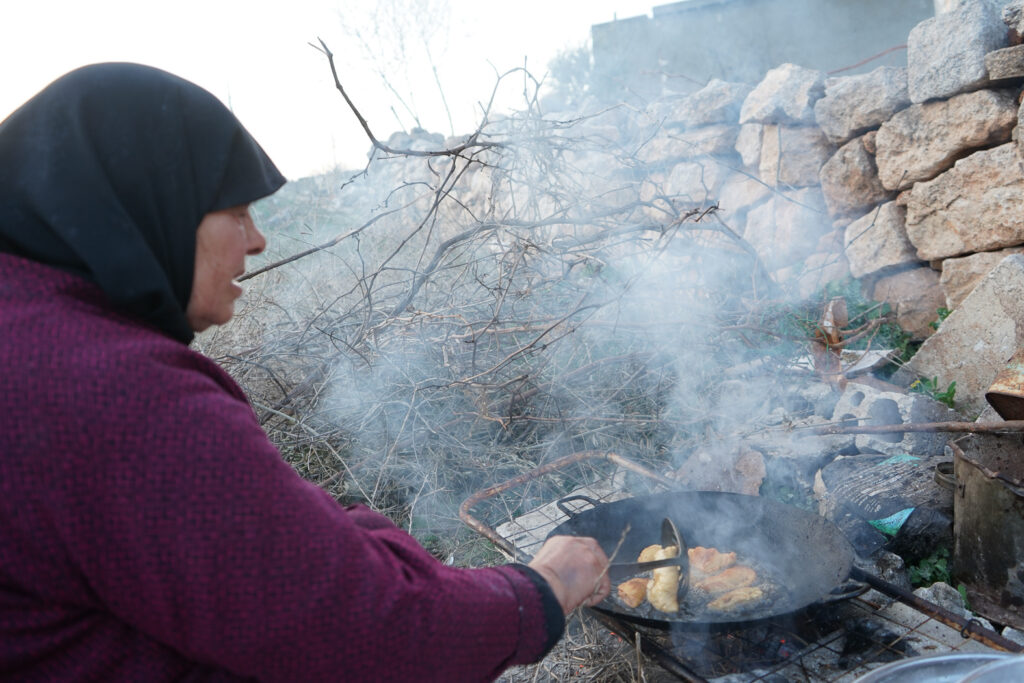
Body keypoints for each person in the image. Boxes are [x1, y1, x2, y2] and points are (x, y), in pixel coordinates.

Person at [0, 63, 611, 682]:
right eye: (237, 212)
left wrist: (332, 532)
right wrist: (541, 588)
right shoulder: (112, 390)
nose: (257, 240)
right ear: (146, 208)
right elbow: (371, 633)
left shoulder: (32, 333)